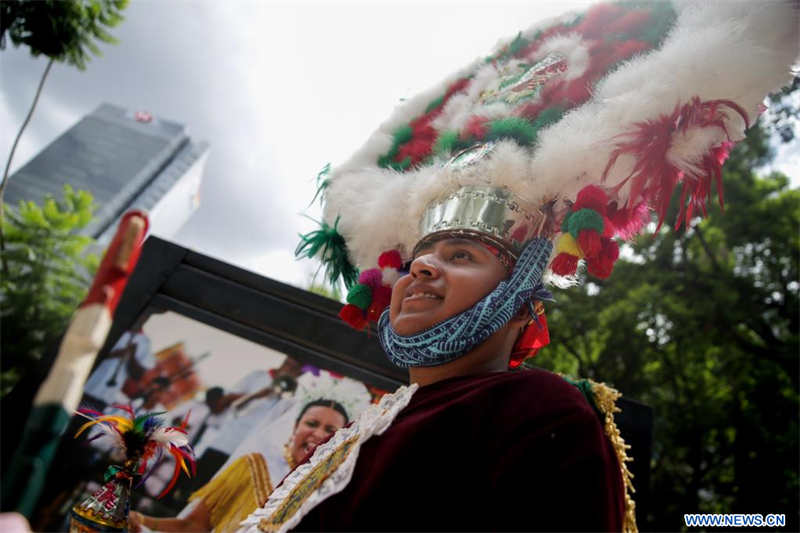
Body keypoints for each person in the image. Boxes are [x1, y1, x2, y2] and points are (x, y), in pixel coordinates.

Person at [240, 2, 795, 532]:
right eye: (420, 259)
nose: (422, 270)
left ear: (518, 298)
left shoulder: (541, 412)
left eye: (460, 256)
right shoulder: (363, 425)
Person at [129, 373, 370, 533]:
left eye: (330, 430)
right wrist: (142, 521)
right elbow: (194, 526)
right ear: (295, 426)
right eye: (312, 424)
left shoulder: (335, 492)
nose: (318, 434)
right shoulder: (252, 466)